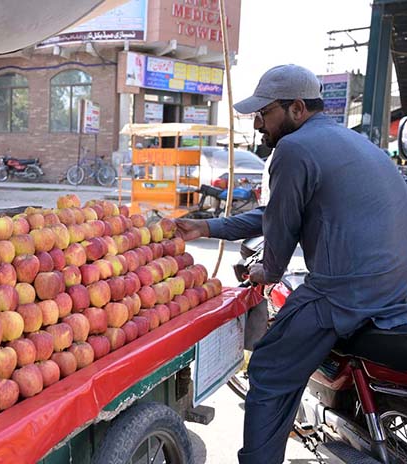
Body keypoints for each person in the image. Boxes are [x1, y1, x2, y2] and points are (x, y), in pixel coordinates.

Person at [175, 64, 407, 464]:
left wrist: (267, 271)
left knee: (267, 366)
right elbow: (279, 212)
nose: (260, 125)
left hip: (346, 294)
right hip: (394, 287)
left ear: (297, 108)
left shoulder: (294, 149)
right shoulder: (352, 141)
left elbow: (279, 237)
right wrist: (205, 226)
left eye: (264, 114)